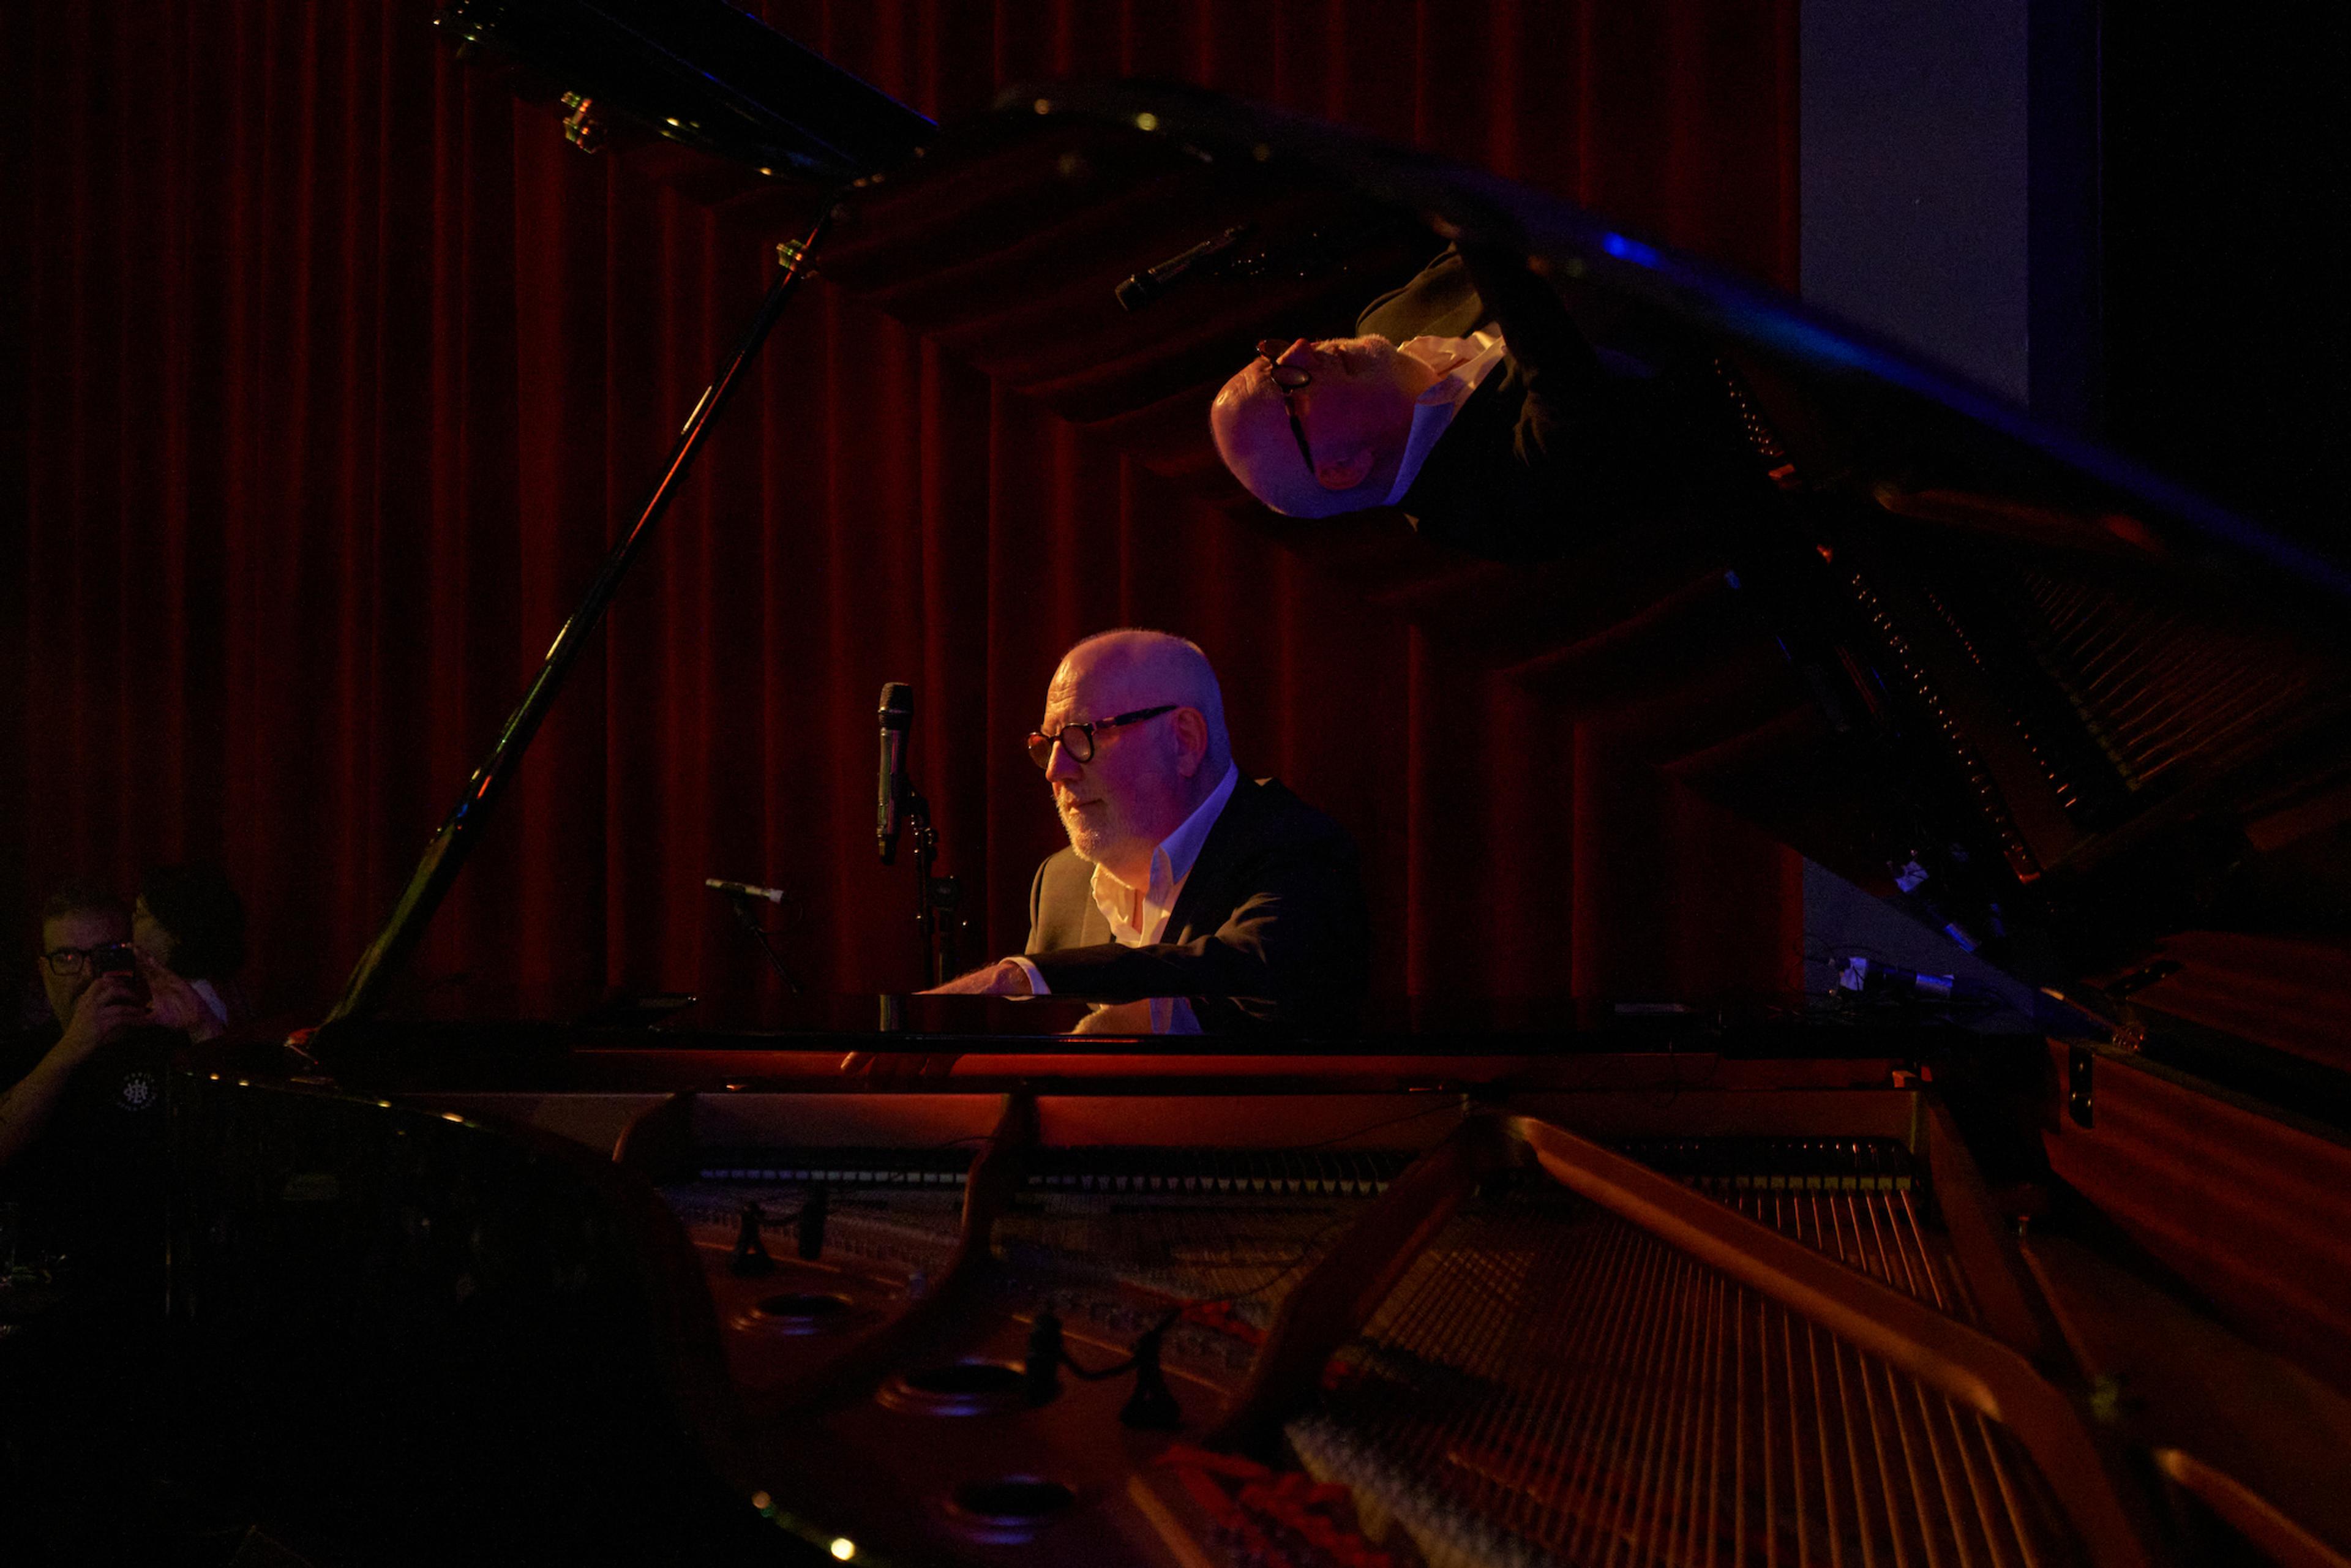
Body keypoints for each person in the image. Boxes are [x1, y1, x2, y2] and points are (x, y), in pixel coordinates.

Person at [925, 629, 1368, 1003]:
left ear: (1185, 741)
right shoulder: (1059, 882)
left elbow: (1246, 971)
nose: (1056, 771)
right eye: (1048, 745)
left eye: (1081, 736)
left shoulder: (1301, 849)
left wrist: (1024, 977)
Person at [1209, 241, 1658, 564]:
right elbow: (1568, 373)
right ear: (1344, 468)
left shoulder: (1386, 320)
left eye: (1272, 355)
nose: (1303, 346)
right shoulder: (1494, 512)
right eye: (1288, 382)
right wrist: (1472, 219)